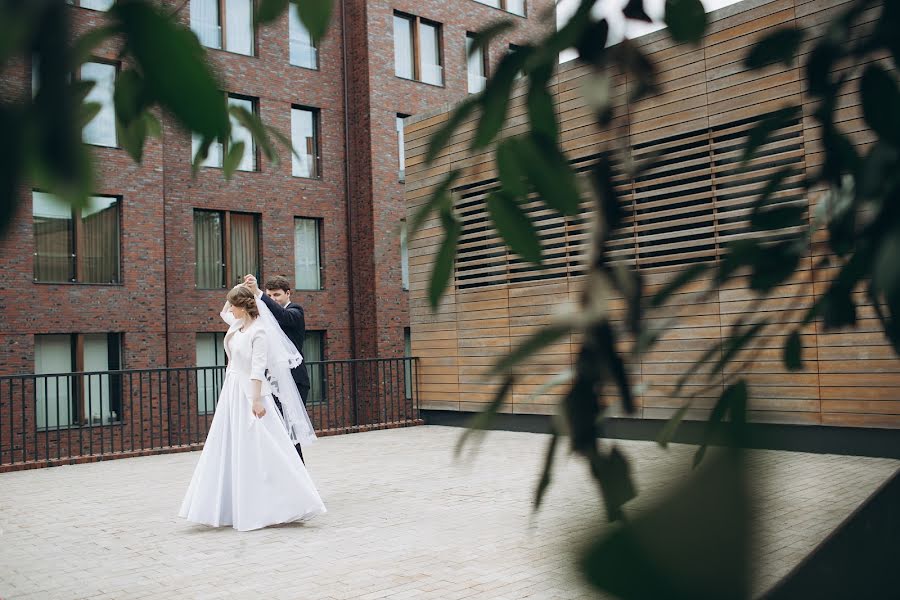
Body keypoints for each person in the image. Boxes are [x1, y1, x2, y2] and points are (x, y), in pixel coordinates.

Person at [179, 285, 325, 531]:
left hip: (252, 392)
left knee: (267, 446)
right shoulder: (237, 325)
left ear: (242, 307)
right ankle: (230, 504)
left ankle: (288, 499)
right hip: (232, 391)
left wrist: (257, 400)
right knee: (231, 445)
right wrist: (240, 287)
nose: (230, 310)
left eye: (233, 305)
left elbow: (257, 369)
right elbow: (224, 311)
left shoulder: (259, 331)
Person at [243, 274, 310, 463]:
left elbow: (283, 316)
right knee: (279, 432)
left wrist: (258, 293)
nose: (273, 299)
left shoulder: (296, 311)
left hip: (295, 381)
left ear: (288, 294)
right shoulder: (266, 317)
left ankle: (300, 479)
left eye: (277, 295)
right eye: (269, 295)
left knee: (290, 432)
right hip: (273, 382)